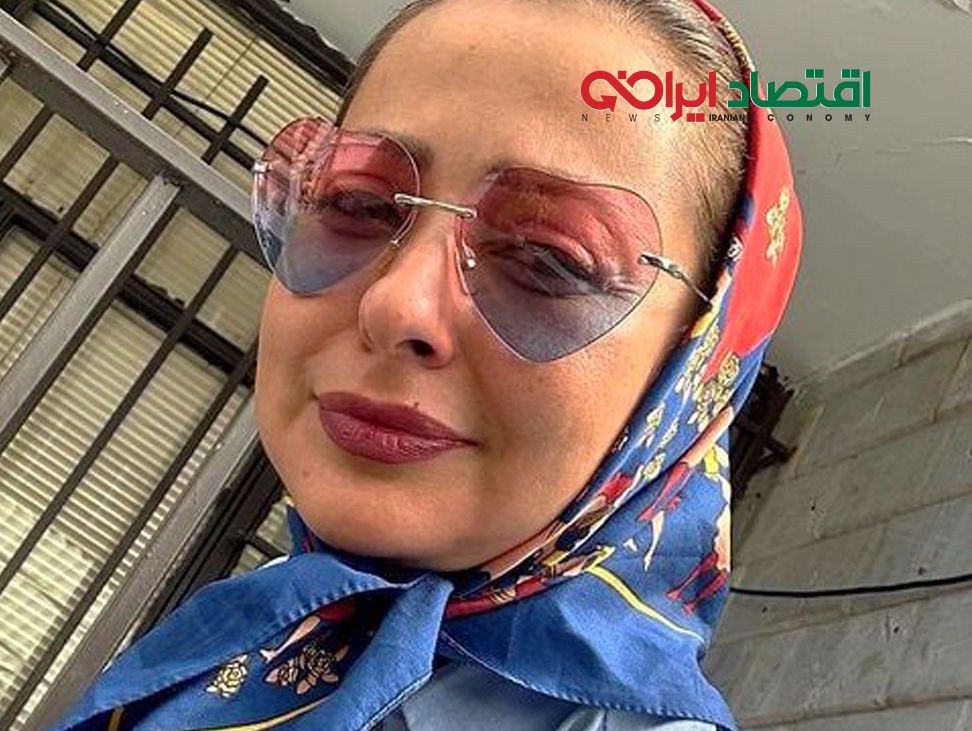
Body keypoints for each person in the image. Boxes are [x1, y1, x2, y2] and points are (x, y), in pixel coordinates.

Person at [49, 0, 802, 728]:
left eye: (547, 258)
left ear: (694, 366)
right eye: (358, 204)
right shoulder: (269, 622)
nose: (395, 305)